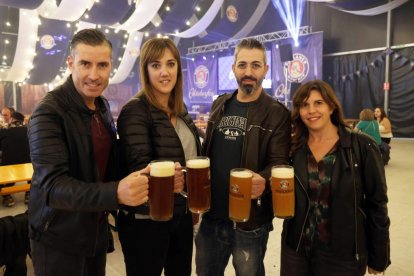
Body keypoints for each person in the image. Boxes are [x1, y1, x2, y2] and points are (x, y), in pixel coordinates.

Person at [27, 28, 149, 276]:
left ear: (111, 66)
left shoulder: (101, 105)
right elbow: (53, 187)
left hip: (94, 230)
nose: (94, 75)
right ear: (71, 63)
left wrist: (145, 176)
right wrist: (116, 193)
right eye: (85, 64)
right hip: (58, 237)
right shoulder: (48, 112)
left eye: (102, 65)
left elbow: (102, 166)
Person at [195, 38, 291, 276]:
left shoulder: (276, 112)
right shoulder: (220, 104)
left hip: (250, 222)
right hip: (211, 216)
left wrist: (264, 179)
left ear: (266, 69)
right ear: (234, 68)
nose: (249, 72)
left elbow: (280, 163)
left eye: (256, 65)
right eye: (243, 65)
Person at [281, 80, 391, 275]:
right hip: (296, 249)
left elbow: (377, 203)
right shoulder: (294, 148)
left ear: (331, 107)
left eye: (318, 103)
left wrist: (379, 255)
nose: (311, 110)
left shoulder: (361, 147)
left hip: (342, 254)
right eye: (304, 105)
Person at [117, 38, 201, 276]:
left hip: (180, 217)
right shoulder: (135, 110)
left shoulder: (180, 110)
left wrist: (191, 202)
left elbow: (191, 159)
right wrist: (165, 177)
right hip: (146, 221)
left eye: (171, 64)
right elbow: (138, 166)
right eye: (156, 65)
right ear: (145, 70)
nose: (165, 72)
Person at [0, 111, 30, 207]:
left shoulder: (4, 132)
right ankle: (29, 193)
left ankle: (6, 195)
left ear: (12, 119)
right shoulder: (30, 131)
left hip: (9, 168)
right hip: (28, 167)